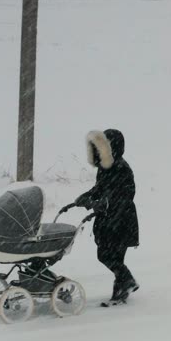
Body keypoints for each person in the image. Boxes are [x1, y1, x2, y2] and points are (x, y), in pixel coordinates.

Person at [64, 129, 140, 304]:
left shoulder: (122, 169)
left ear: (111, 148)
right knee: (107, 254)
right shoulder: (105, 169)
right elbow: (100, 188)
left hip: (121, 219)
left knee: (110, 255)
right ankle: (123, 286)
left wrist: (103, 204)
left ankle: (125, 283)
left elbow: (124, 196)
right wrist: (87, 196)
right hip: (108, 218)